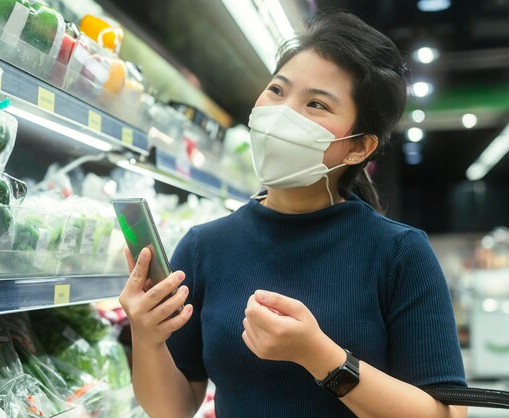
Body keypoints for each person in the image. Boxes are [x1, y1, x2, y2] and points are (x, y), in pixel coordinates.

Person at [118, 10, 467, 418]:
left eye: (316, 103)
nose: (282, 115)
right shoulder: (204, 247)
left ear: (359, 148)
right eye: (277, 90)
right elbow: (172, 410)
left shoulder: (400, 254)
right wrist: (147, 337)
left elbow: (448, 414)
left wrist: (321, 357)